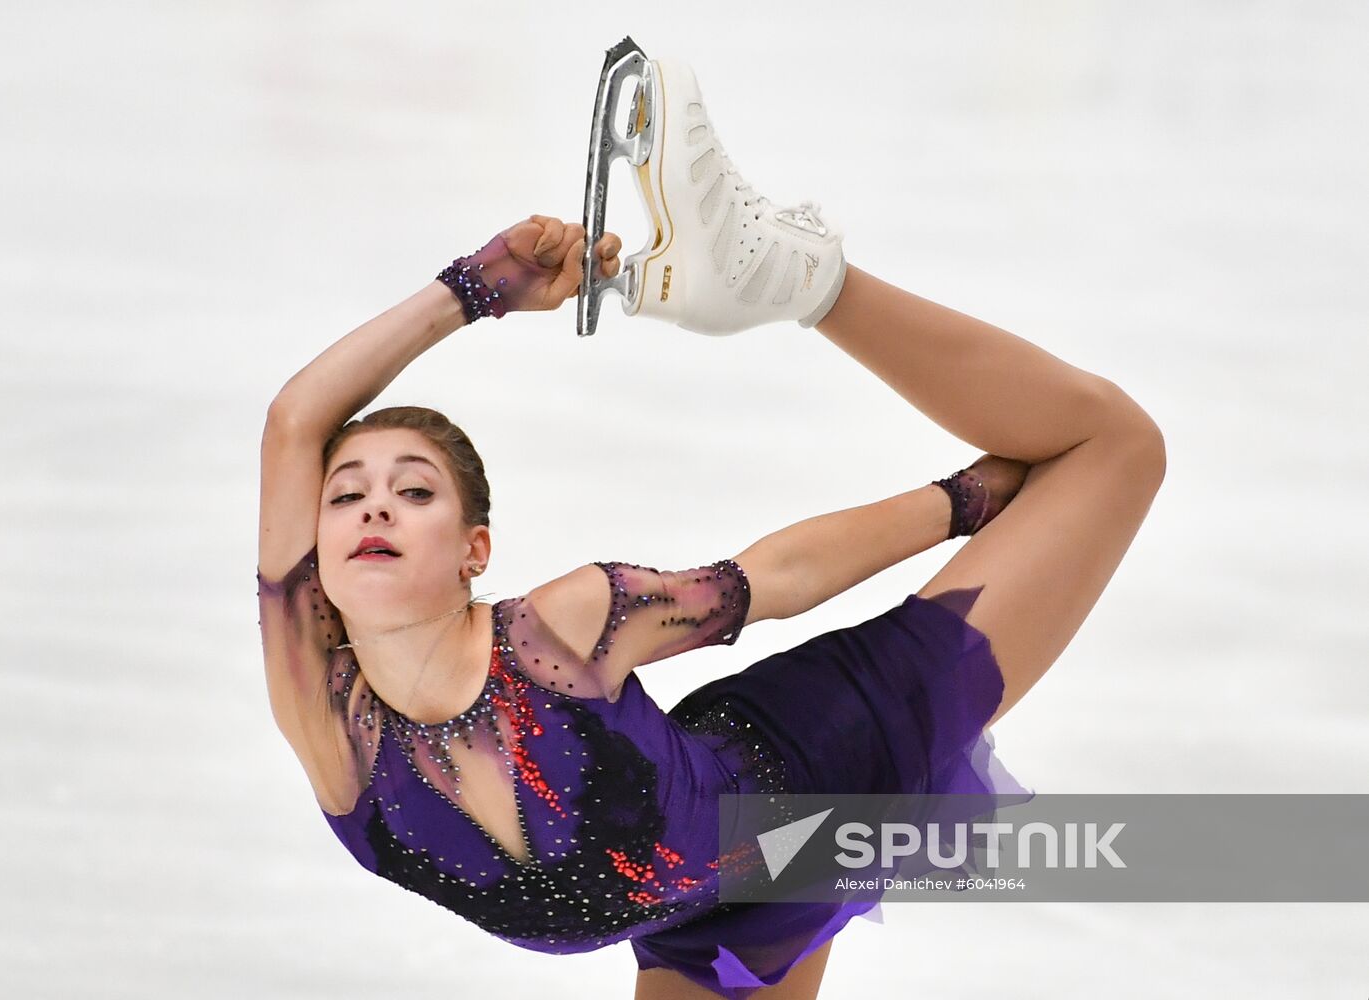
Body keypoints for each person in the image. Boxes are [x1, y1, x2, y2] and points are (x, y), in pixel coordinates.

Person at [256, 66, 1165, 1000]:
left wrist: (962, 501)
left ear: (472, 551)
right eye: (345, 497)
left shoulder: (556, 634)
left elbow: (773, 578)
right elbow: (295, 426)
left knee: (1117, 445)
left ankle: (807, 279)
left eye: (413, 493)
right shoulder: (330, 725)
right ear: (311, 560)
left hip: (829, 761)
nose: (373, 508)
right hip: (709, 912)